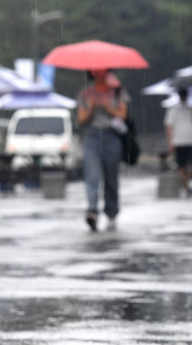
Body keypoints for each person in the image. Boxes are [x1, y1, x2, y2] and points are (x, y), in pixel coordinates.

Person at [77, 70, 130, 231]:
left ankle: (112, 213)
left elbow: (123, 115)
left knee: (111, 177)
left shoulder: (118, 93)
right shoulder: (85, 94)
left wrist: (109, 107)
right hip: (92, 137)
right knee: (91, 176)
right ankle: (92, 210)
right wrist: (91, 107)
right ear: (92, 73)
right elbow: (81, 119)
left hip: (111, 136)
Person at [164, 88, 192, 195]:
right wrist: (170, 142)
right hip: (179, 141)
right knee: (181, 166)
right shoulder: (173, 110)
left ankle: (185, 182)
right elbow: (169, 126)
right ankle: (186, 187)